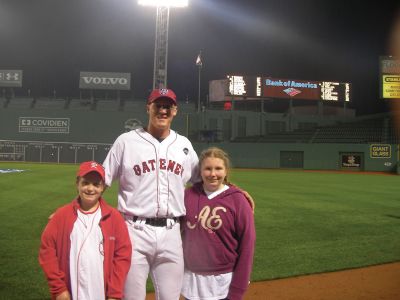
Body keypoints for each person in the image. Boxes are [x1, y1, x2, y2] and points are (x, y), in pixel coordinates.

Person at [102, 88, 200, 300]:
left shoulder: (183, 145)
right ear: (148, 108)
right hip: (133, 231)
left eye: (167, 106)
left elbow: (205, 181)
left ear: (175, 111)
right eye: (158, 105)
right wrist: (74, 209)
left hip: (172, 232)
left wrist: (234, 193)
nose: (162, 110)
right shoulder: (126, 142)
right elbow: (102, 180)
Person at [39, 161, 132, 300]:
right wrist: (58, 289)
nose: (90, 188)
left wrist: (114, 293)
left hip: (102, 290)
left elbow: (123, 257)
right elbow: (47, 251)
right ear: (77, 184)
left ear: (103, 188)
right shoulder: (61, 215)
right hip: (70, 291)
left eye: (96, 184)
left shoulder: (114, 218)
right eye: (85, 183)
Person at [181, 147, 256, 300]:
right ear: (199, 172)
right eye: (208, 169)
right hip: (191, 280)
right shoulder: (187, 196)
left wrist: (238, 290)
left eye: (218, 168)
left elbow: (247, 245)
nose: (213, 174)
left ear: (226, 171)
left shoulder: (238, 200)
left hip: (224, 282)